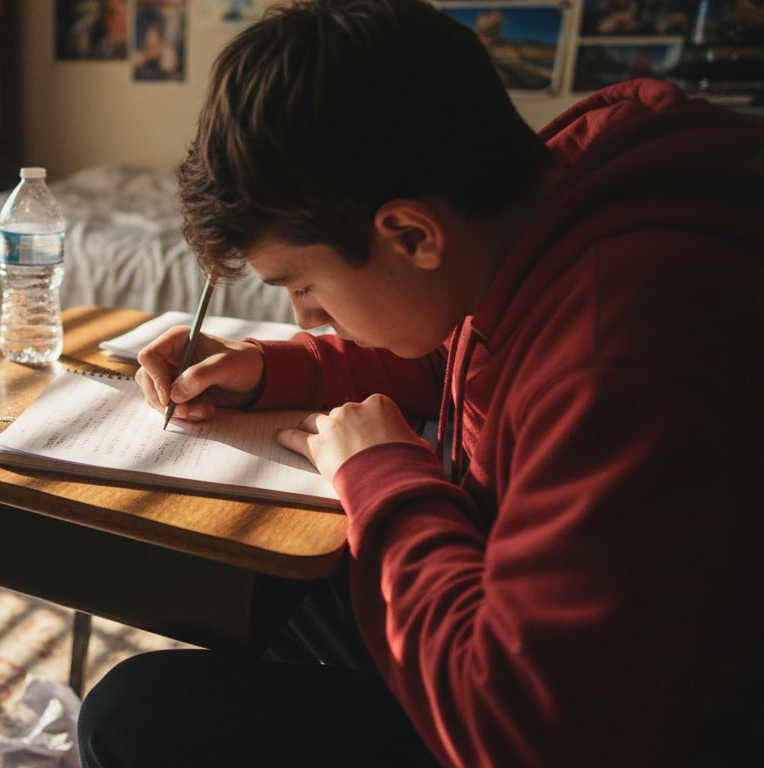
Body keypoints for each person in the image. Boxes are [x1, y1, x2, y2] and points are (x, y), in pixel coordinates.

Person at [75, 0, 764, 765]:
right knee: (241, 573)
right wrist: (275, 368)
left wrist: (383, 480)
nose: (308, 318)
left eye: (303, 285)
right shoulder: (540, 211)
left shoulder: (623, 357)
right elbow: (461, 351)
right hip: (509, 583)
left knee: (135, 717)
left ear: (410, 234)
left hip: (577, 721)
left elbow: (523, 733)